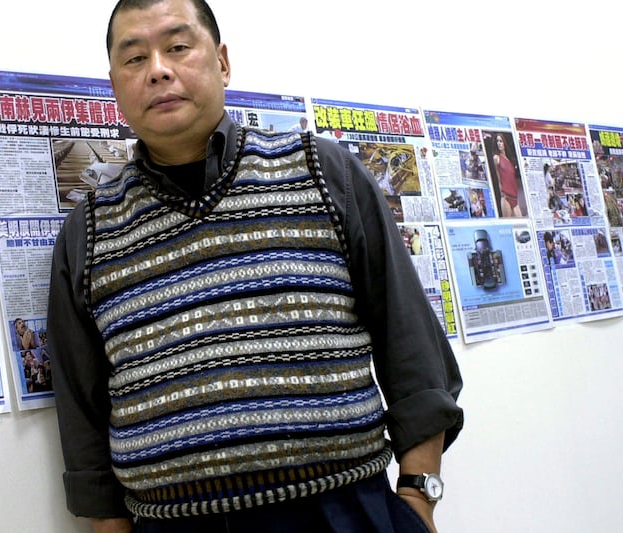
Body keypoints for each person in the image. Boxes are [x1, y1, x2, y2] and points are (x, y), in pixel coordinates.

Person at [47, 2, 463, 532]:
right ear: (115, 85)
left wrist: (418, 495)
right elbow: (82, 419)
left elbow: (412, 348)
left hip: (343, 512)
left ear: (222, 62)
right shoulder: (89, 232)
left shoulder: (322, 171)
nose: (157, 69)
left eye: (177, 46)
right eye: (134, 58)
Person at [491, 133, 523, 217]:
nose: (499, 143)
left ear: (504, 143)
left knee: (520, 220)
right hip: (506, 196)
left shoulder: (510, 160)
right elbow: (498, 176)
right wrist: (501, 191)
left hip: (514, 196)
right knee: (510, 224)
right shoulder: (496, 158)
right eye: (497, 141)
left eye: (501, 141)